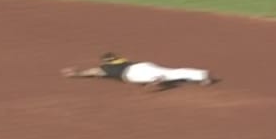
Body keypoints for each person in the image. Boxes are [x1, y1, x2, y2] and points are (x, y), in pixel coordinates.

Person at [62, 52, 213, 90]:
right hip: (143, 65)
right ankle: (202, 75)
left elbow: (93, 71)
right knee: (173, 72)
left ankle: (157, 78)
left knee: (160, 76)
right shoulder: (122, 59)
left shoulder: (106, 68)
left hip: (132, 74)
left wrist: (76, 73)